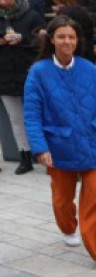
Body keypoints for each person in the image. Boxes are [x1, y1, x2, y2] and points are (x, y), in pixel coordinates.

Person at [23, 15, 96, 270]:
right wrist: (40, 148)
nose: (67, 41)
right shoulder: (38, 73)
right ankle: (68, 227)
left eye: (72, 37)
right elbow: (32, 115)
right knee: (62, 201)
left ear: (78, 40)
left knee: (95, 197)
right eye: (62, 36)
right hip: (59, 146)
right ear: (52, 39)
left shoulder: (88, 68)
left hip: (92, 142)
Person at [0, 0, 45, 175]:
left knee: (40, 115)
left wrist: (23, 38)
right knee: (16, 118)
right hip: (4, 74)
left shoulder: (32, 15)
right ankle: (25, 157)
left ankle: (47, 153)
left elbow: (43, 41)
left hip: (30, 73)